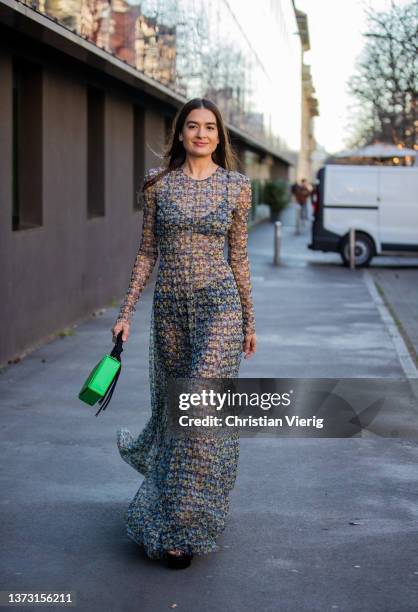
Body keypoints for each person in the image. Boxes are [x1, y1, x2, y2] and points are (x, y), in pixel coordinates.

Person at [111, 97, 257, 570]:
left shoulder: (237, 187)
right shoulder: (158, 186)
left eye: (209, 128)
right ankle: (177, 505)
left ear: (219, 137)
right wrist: (126, 311)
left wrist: (250, 321)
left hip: (220, 307)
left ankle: (182, 529)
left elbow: (239, 258)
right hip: (171, 311)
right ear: (179, 134)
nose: (200, 134)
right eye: (192, 127)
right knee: (180, 413)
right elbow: (146, 253)